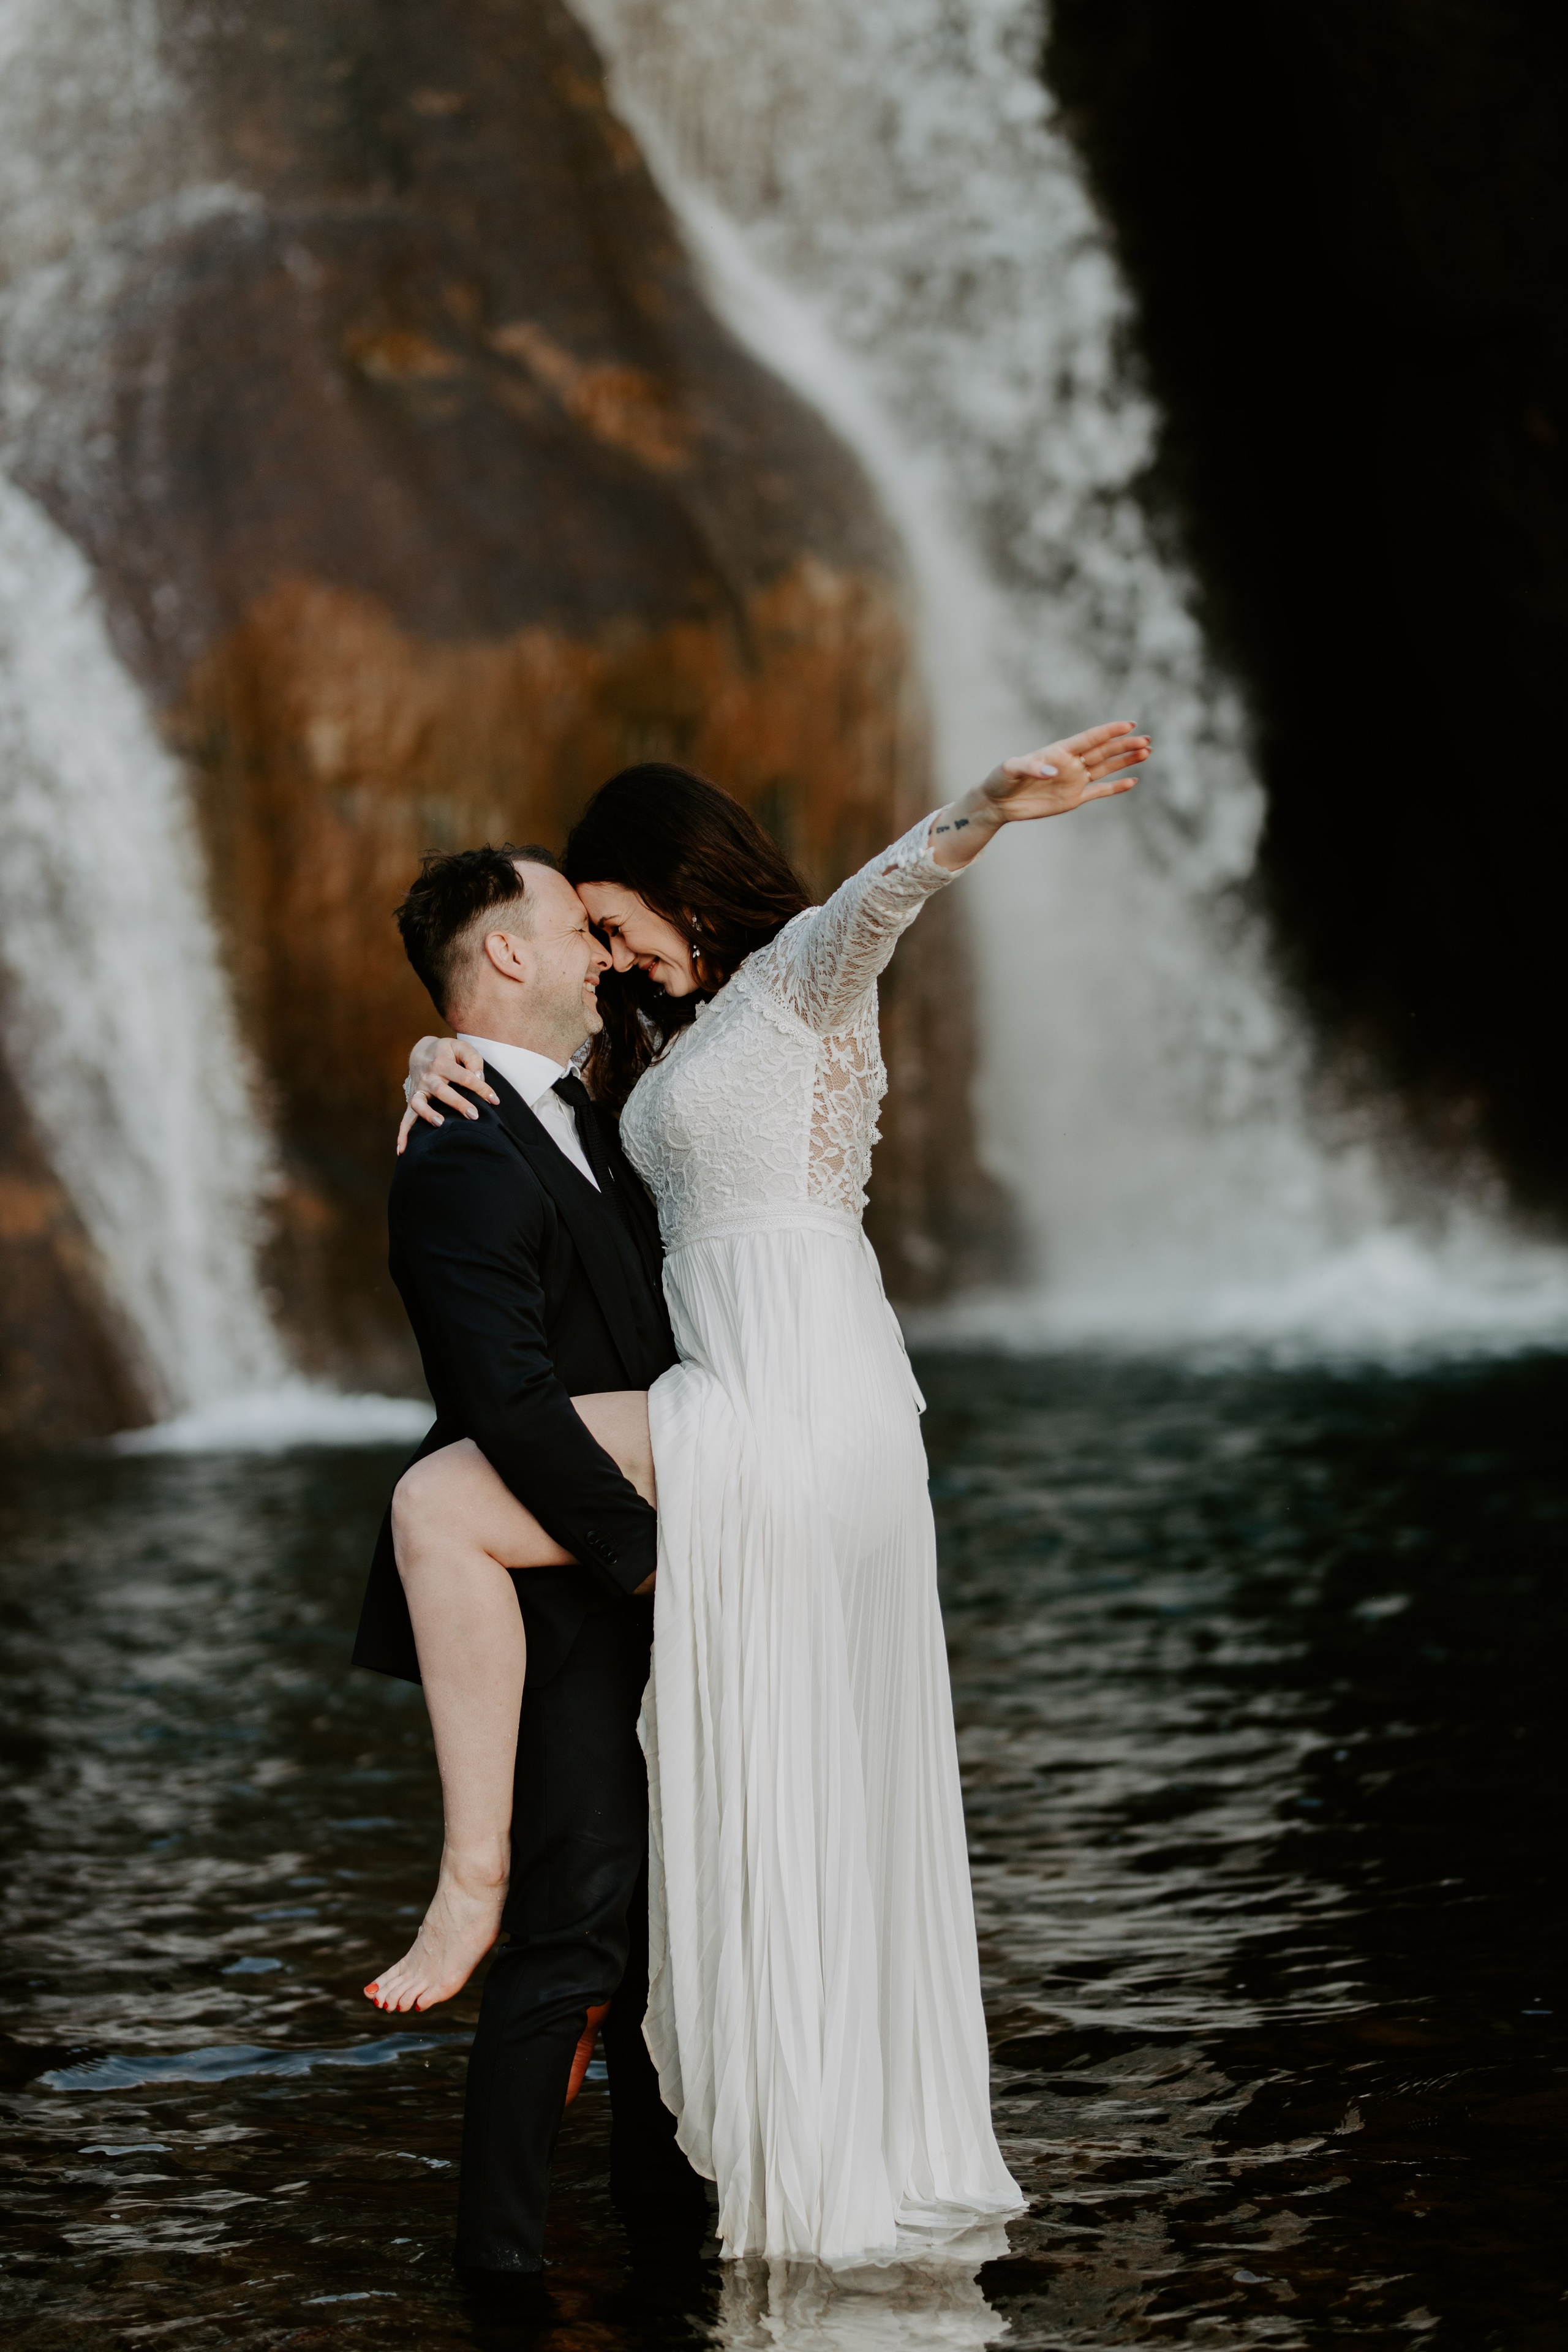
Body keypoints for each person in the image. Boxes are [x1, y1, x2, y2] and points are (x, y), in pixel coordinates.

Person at [386, 722, 1150, 2264]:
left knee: (440, 1501)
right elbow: (540, 1107)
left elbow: (873, 902)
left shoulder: (800, 980)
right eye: (581, 936)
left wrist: (981, 809)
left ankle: (471, 1880)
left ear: (680, 882)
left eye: (615, 921)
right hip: (747, 1389)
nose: (603, 956)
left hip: (792, 1389)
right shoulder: (652, 1051)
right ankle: (781, 2156)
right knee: (774, 1784)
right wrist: (434, 1045)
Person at [350, 842, 707, 2280]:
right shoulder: (455, 1149)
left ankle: (663, 2240)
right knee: (567, 1939)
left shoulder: (589, 1117)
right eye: (575, 927)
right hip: (555, 1594)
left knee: (649, 1947)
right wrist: (645, 1566)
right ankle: (499, 2279)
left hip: (635, 1560)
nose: (600, 952)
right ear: (506, 954)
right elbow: (505, 1402)